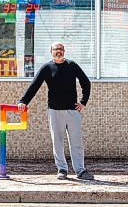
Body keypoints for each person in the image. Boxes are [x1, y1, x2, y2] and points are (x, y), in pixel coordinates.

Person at [18, 42, 94, 180]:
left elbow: (86, 82)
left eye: (60, 49)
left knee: (76, 142)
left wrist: (83, 102)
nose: (58, 51)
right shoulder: (47, 68)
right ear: (51, 51)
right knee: (57, 141)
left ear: (64, 51)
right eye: (55, 49)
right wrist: (23, 101)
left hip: (72, 111)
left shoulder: (72, 65)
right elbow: (34, 85)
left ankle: (80, 170)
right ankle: (62, 170)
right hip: (55, 111)